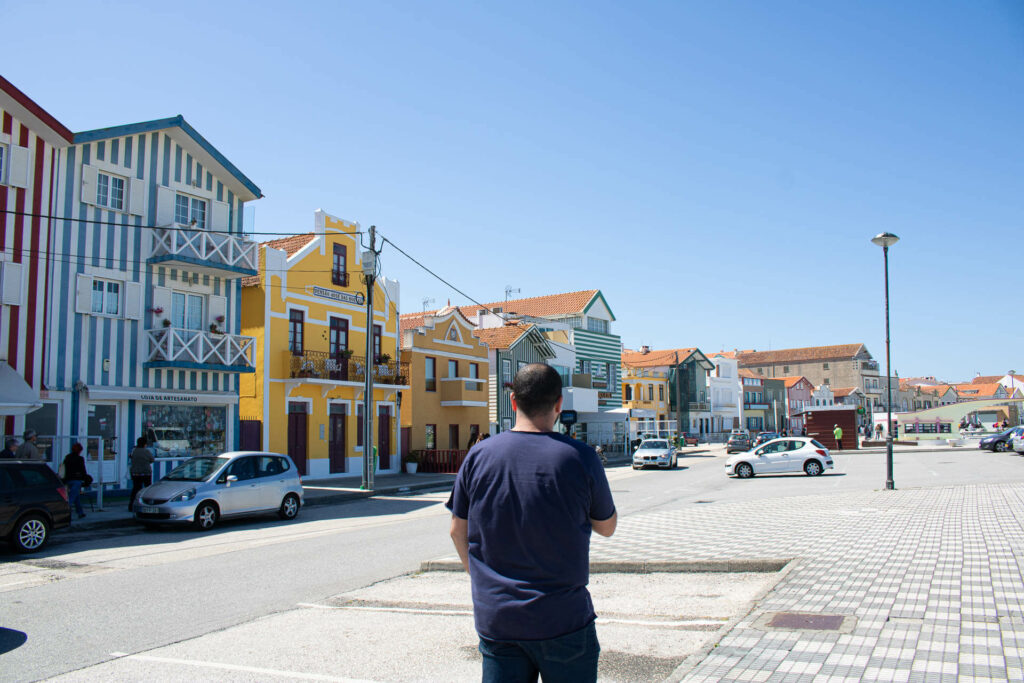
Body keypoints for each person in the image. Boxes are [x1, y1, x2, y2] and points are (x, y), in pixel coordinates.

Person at [447, 363, 616, 682]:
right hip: (563, 619)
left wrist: (484, 579)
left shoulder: (479, 456)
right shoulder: (580, 457)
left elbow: (457, 530)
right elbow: (606, 526)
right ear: (558, 404)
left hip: (499, 619)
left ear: (513, 402)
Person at [61, 442, 89, 519]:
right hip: (77, 480)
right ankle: (65, 513)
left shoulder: (67, 457)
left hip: (68, 479)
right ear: (79, 451)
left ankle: (80, 512)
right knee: (72, 497)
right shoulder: (80, 459)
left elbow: (63, 469)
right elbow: (83, 470)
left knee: (76, 496)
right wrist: (85, 479)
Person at [128, 436, 155, 512]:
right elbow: (152, 460)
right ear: (145, 444)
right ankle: (148, 504)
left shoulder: (134, 451)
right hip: (146, 472)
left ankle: (131, 505)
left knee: (136, 489)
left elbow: (131, 457)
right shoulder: (146, 451)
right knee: (147, 489)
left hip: (135, 472)